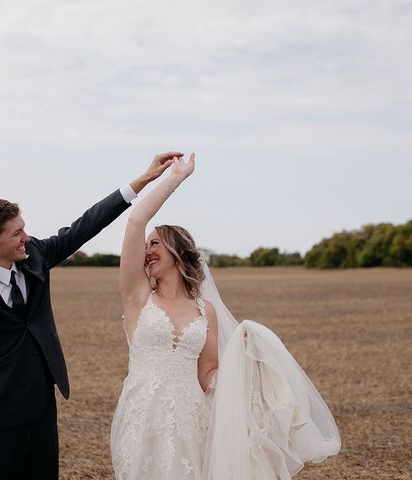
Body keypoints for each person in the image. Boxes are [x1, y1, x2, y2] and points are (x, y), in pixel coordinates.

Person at [0, 152, 180, 480]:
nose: (26, 237)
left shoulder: (36, 255)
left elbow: (86, 224)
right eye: (16, 234)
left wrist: (143, 179)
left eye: (24, 229)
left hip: (42, 407)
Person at [111, 154, 341, 480]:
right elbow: (136, 221)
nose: (146, 249)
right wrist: (175, 178)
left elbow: (208, 372)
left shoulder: (206, 311)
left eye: (155, 243)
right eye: (145, 245)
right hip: (143, 418)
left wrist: (245, 372)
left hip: (194, 421)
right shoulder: (139, 297)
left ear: (178, 252)